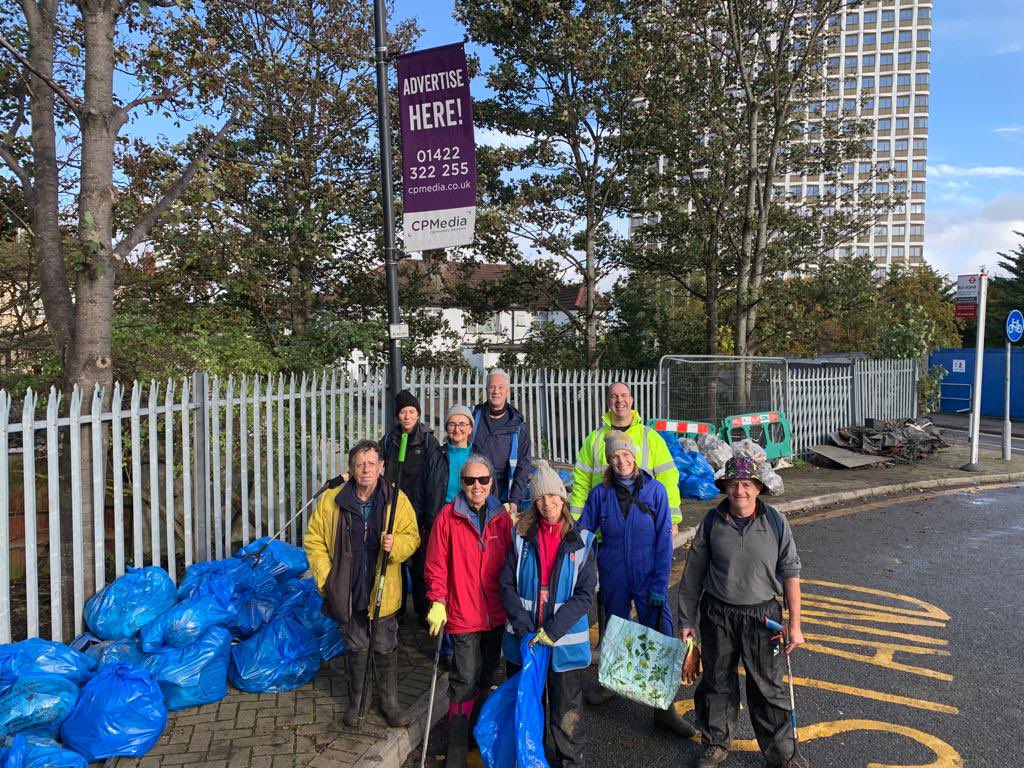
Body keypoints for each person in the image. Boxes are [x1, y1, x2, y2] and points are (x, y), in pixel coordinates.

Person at [676, 456, 804, 768]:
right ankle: (716, 744)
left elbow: (790, 573)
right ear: (725, 487)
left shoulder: (776, 522)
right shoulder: (711, 521)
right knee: (717, 682)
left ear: (758, 487)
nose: (740, 491)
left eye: (747, 484)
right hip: (717, 614)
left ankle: (782, 754)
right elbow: (692, 575)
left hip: (763, 617)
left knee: (768, 687)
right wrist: (687, 621)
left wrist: (795, 624)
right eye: (733, 484)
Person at [576, 431, 696, 737]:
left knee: (661, 635)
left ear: (635, 457)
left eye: (626, 455)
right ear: (609, 461)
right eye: (615, 457)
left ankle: (664, 708)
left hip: (648, 574)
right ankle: (611, 685)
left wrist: (660, 582)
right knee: (615, 632)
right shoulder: (600, 495)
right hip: (614, 572)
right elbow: (583, 533)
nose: (621, 461)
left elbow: (664, 542)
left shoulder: (655, 491)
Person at [303, 439, 421, 728]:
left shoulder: (396, 500)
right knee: (356, 644)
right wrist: (327, 578)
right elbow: (314, 540)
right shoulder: (332, 502)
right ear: (351, 469)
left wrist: (398, 545)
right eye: (359, 464)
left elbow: (413, 537)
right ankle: (359, 699)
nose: (365, 469)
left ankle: (390, 703)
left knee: (383, 644)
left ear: (381, 467)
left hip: (383, 586)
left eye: (371, 463)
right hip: (348, 587)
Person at [500, 460, 596, 768]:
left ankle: (570, 761)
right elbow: (506, 585)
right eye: (540, 497)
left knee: (565, 708)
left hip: (562, 643)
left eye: (552, 496)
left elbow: (584, 595)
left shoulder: (581, 541)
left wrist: (553, 630)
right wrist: (524, 625)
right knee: (528, 705)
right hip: (525, 639)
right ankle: (530, 758)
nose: (546, 503)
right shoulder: (520, 537)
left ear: (563, 496)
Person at [423, 454, 513, 768]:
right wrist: (437, 600)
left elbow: (512, 563)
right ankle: (457, 748)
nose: (477, 486)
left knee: (486, 675)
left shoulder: (501, 517)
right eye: (470, 480)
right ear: (462, 483)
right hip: (462, 615)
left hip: (496, 615)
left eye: (483, 480)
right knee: (463, 681)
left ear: (491, 481)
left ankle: (477, 727)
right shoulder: (448, 517)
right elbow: (435, 565)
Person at [569, 382, 682, 532]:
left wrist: (672, 520)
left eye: (624, 396)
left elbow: (668, 479)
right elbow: (581, 483)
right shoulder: (594, 439)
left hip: (643, 526)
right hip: (603, 526)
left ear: (631, 400)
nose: (619, 400)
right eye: (613, 396)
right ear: (608, 402)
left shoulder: (650, 437)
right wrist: (576, 523)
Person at [380, 390, 440, 627]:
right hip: (395, 507)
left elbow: (435, 476)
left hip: (420, 508)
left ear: (418, 414)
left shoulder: (427, 440)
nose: (407, 416)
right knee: (397, 558)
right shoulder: (389, 440)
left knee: (420, 560)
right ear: (397, 415)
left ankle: (423, 611)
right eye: (403, 412)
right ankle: (398, 610)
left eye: (412, 412)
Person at [471, 369, 531, 514]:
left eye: (500, 387)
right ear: (486, 390)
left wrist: (515, 501)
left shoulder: (518, 427)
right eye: (492, 387)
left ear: (507, 391)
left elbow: (522, 468)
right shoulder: (473, 417)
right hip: (473, 492)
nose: (496, 391)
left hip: (503, 497)